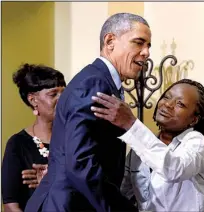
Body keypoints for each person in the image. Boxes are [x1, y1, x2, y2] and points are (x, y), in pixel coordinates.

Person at [25, 12, 151, 212]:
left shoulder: (102, 81)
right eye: (139, 43)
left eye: (148, 46)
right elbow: (80, 162)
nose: (146, 52)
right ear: (110, 41)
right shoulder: (94, 82)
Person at [91, 79, 204, 211]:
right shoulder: (139, 149)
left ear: (193, 119)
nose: (168, 104)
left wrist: (131, 124)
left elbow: (174, 169)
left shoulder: (197, 143)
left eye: (180, 104)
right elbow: (123, 192)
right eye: (166, 97)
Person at [1, 63, 66, 212]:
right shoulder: (17, 144)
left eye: (64, 93)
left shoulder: (73, 139)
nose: (62, 99)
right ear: (33, 100)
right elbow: (11, 205)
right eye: (53, 94)